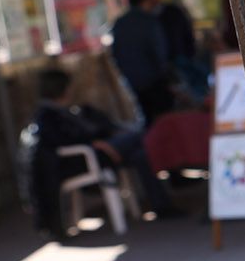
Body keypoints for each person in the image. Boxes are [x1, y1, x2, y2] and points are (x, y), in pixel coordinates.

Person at [22, 67, 181, 236]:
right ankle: (164, 148)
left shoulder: (65, 110)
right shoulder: (47, 117)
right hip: (86, 159)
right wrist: (96, 144)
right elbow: (64, 141)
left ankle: (162, 206)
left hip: (101, 152)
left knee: (141, 155)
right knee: (141, 137)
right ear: (62, 88)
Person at [111, 0, 175, 124]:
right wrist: (166, 75)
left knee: (148, 118)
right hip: (155, 80)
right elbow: (159, 51)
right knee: (165, 119)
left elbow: (115, 54)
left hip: (134, 80)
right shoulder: (149, 21)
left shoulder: (120, 23)